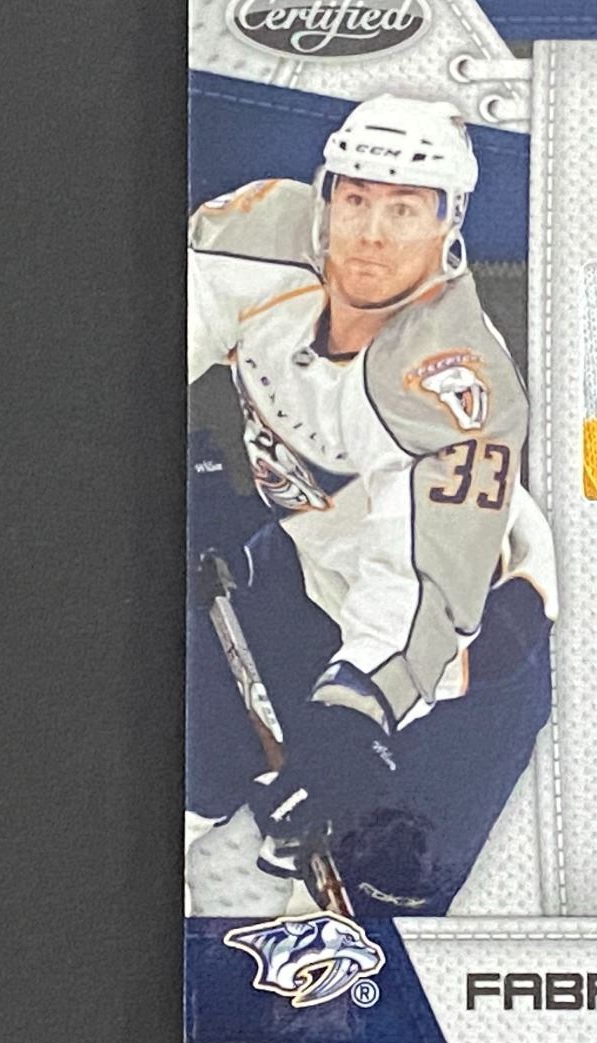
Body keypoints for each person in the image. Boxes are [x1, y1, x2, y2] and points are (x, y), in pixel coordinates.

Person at [186, 95, 557, 918]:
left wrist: (353, 713)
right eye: (355, 198)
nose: (372, 233)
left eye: (404, 209)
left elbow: (425, 583)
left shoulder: (456, 381)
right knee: (212, 804)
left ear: (447, 223)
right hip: (309, 577)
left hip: (464, 658)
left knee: (378, 907)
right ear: (327, 196)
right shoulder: (265, 236)